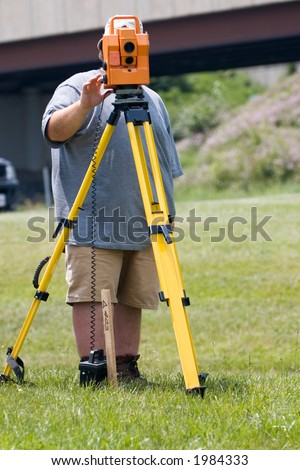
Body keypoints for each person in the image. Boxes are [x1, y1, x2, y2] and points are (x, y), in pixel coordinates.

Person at [41, 17, 183, 383]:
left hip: (143, 218)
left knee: (132, 297)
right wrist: (86, 105)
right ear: (103, 49)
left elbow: (165, 163)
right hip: (93, 218)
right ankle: (95, 366)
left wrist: (168, 213)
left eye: (134, 44)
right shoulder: (77, 86)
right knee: (91, 294)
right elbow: (53, 132)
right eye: (120, 44)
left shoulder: (151, 97)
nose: (127, 51)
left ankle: (125, 366)